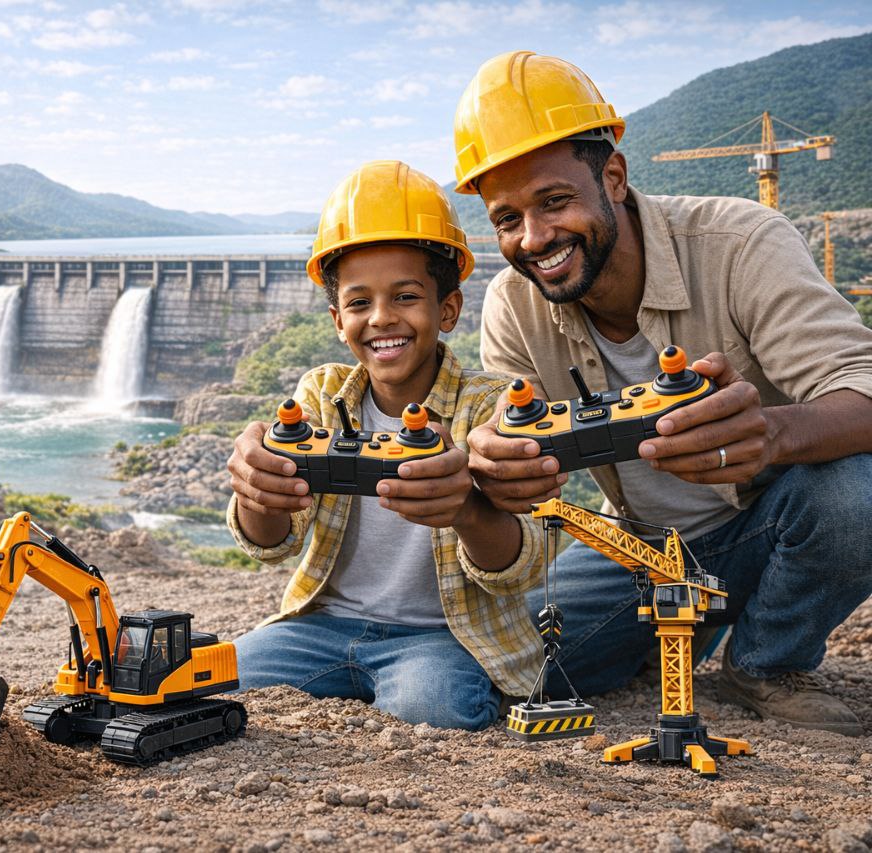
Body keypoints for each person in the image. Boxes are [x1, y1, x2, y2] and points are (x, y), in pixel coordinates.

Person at [454, 50, 872, 736]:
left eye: (555, 202)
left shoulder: (741, 243)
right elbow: (511, 445)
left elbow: (862, 385)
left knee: (858, 494)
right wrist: (500, 464)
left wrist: (773, 433)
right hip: (641, 548)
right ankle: (676, 634)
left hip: (775, 523)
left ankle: (766, 662)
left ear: (613, 177)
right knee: (520, 664)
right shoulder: (512, 304)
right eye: (507, 219)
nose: (534, 238)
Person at [224, 160, 545, 730]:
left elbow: (521, 567)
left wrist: (467, 509)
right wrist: (258, 493)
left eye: (405, 296)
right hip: (321, 627)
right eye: (358, 303)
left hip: (440, 636)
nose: (381, 318)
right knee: (217, 678)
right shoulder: (320, 396)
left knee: (432, 705)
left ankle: (476, 687)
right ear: (336, 319)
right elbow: (273, 544)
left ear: (448, 309)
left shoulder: (491, 407)